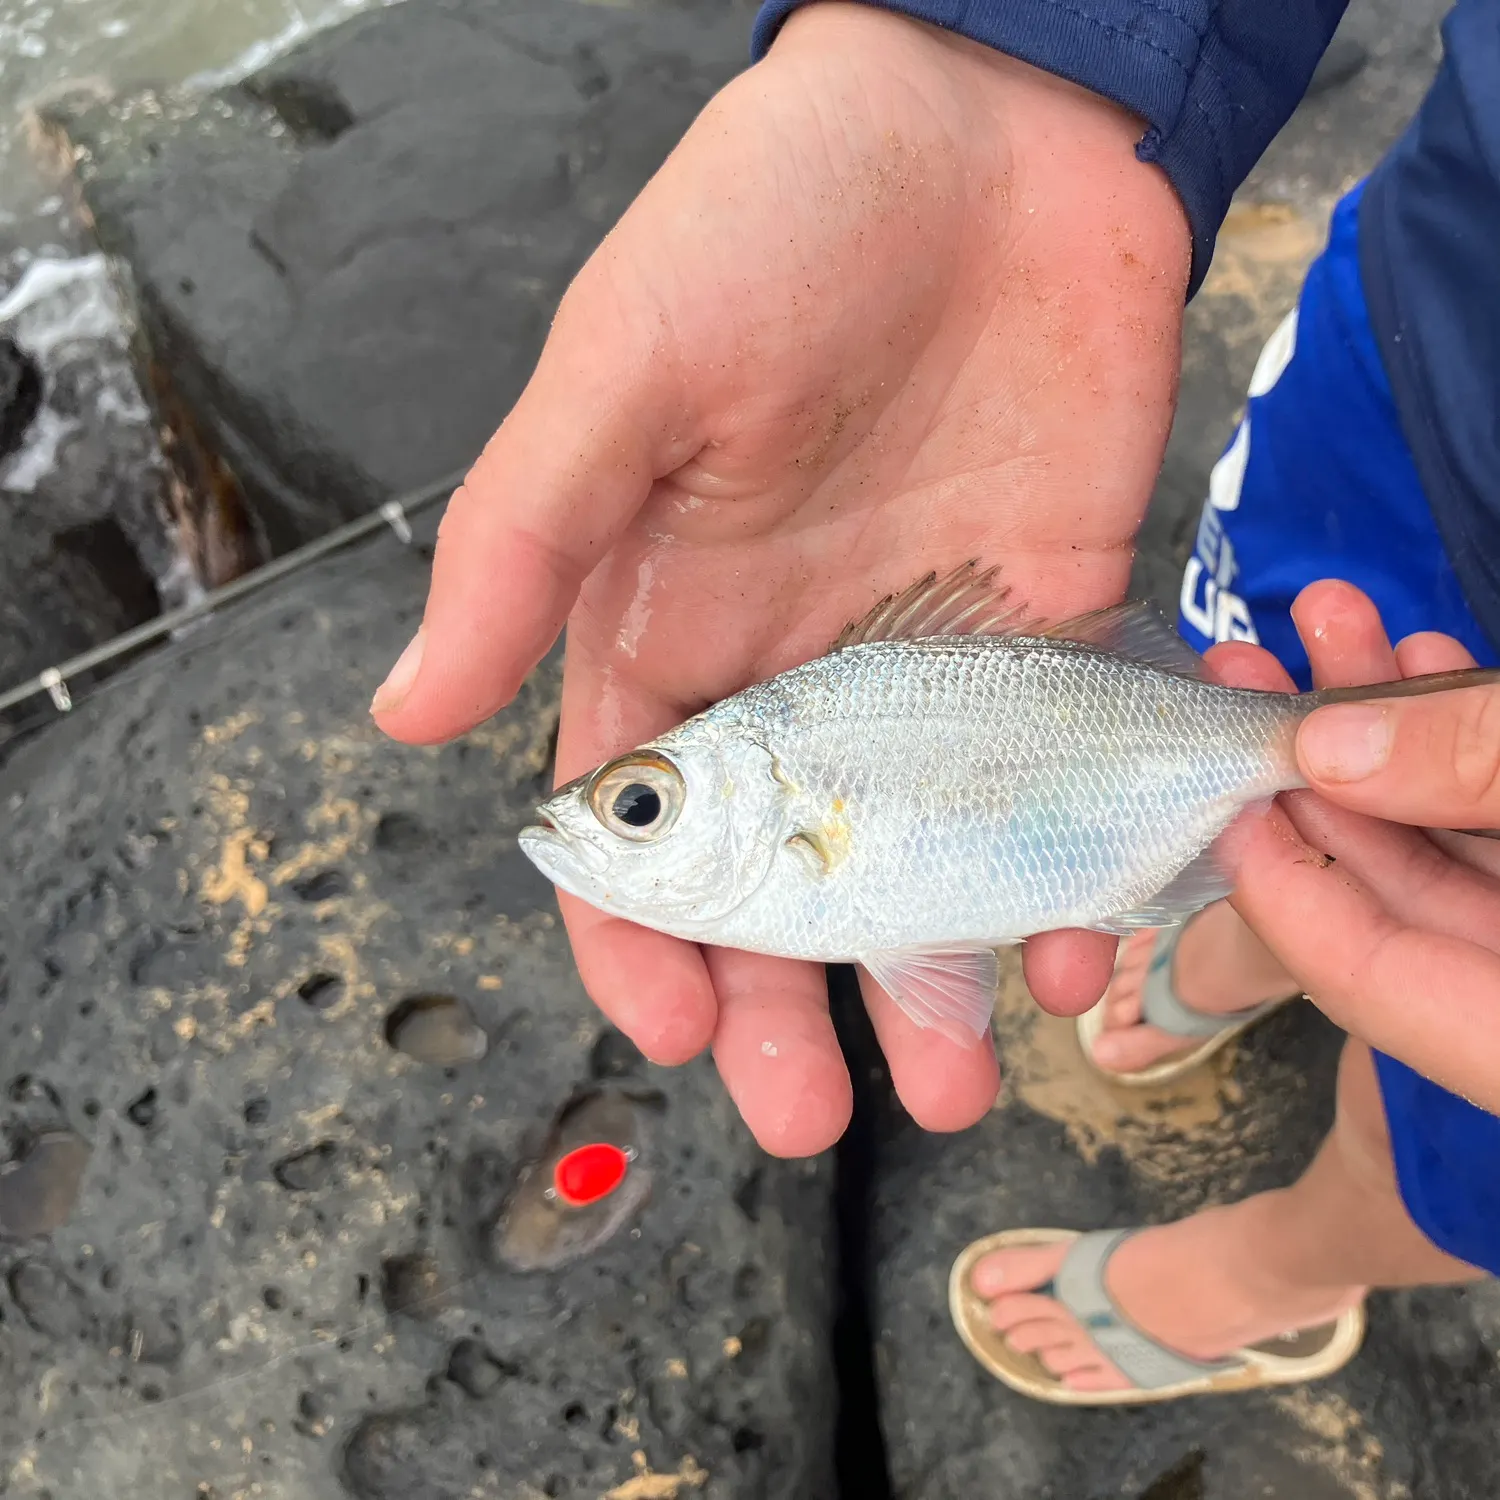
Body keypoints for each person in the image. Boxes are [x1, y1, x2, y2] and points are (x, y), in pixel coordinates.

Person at [369, 0, 1500, 1403]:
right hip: (1448, 297)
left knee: (1459, 1092)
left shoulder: (800, 801)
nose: (609, 815)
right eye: (636, 803)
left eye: (640, 804)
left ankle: (1295, 1261)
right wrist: (1004, 48)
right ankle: (1264, 911)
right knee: (1298, 676)